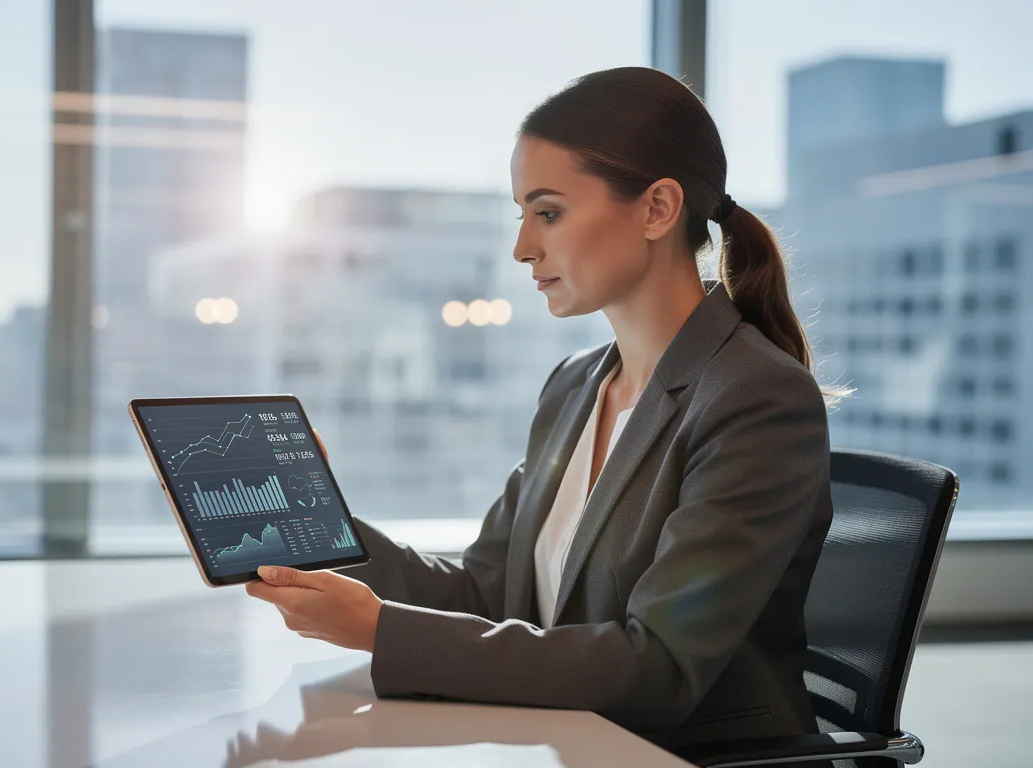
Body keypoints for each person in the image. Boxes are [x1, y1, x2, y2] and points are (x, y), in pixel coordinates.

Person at [245, 66, 842, 753]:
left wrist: (382, 631)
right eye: (521, 215)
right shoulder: (574, 385)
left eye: (549, 212)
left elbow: (659, 668)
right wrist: (318, 525)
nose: (522, 247)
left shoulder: (756, 398)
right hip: (565, 745)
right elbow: (486, 592)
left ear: (657, 208)